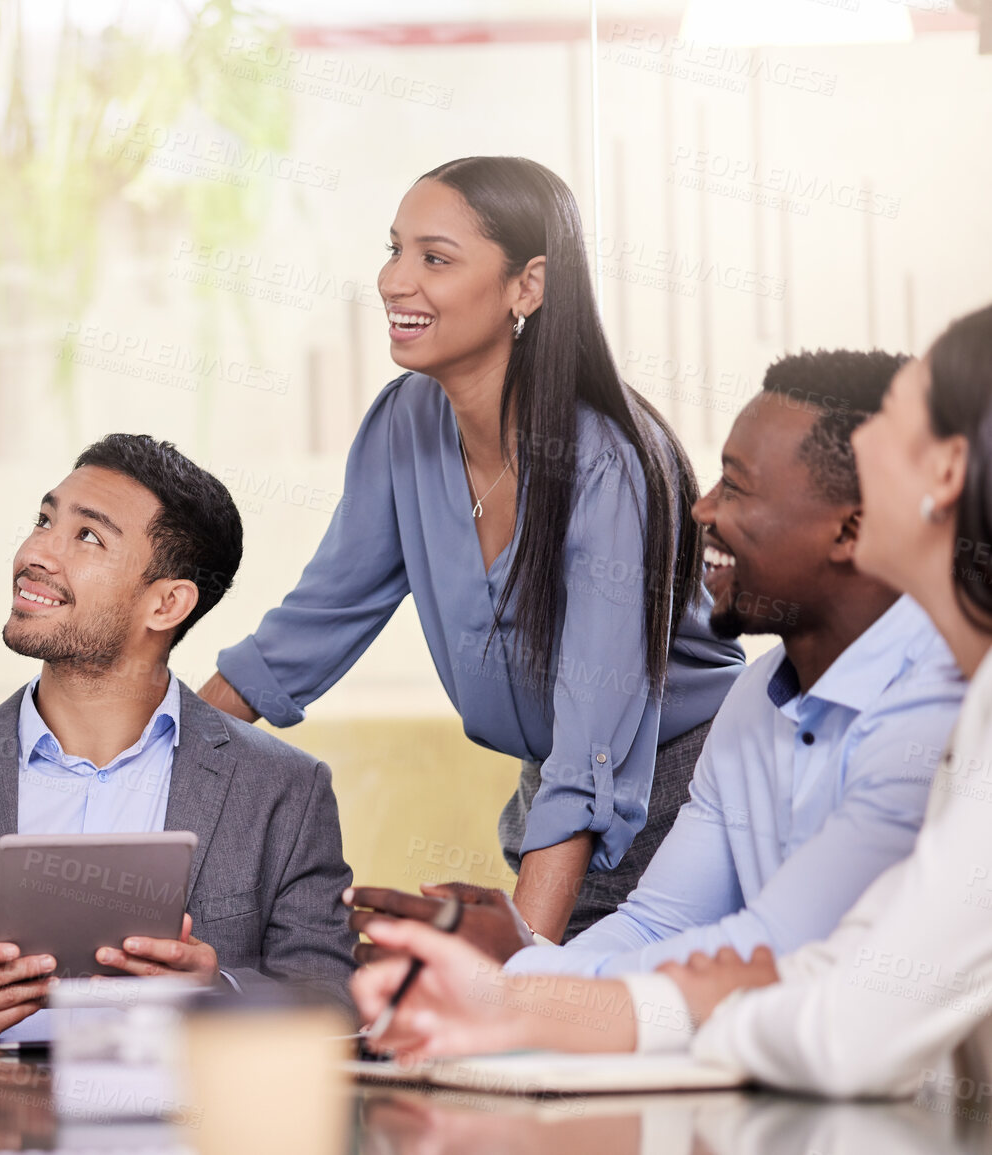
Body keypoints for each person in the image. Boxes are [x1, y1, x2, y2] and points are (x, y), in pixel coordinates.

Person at [352, 303, 992, 1100]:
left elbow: (837, 1015)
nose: (699, 507)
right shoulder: (774, 694)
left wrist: (540, 987)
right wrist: (524, 979)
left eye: (891, 424)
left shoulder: (952, 712)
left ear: (943, 472)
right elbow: (830, 966)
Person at [199, 157, 744, 942]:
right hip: (555, 791)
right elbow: (308, 628)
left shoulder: (606, 460)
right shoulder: (404, 423)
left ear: (528, 285)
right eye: (392, 250)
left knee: (539, 1025)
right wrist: (152, 750)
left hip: (680, 791)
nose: (393, 281)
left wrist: (523, 978)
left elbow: (594, 737)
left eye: (434, 258)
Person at [0, 435, 357, 1039]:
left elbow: (330, 1000)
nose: (36, 552)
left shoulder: (284, 788)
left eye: (87, 536)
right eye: (43, 520)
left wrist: (216, 995)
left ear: (166, 603)